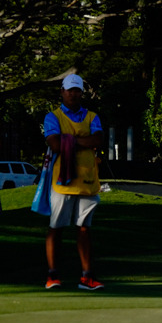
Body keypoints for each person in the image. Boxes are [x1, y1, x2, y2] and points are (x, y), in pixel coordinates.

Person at [43, 74, 105, 291]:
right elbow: (55, 144)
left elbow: (98, 140)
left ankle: (87, 277)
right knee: (56, 227)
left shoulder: (92, 116)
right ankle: (53, 275)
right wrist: (82, 140)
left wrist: (69, 138)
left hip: (87, 180)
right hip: (63, 181)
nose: (73, 93)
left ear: (81, 92)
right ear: (62, 91)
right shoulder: (53, 117)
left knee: (84, 229)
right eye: (69, 90)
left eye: (77, 90)